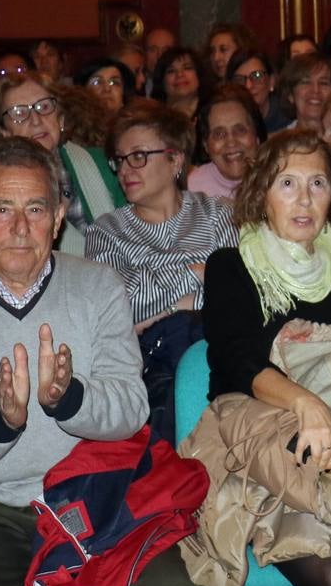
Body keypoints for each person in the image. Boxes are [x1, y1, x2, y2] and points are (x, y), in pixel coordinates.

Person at [0, 136, 202, 586]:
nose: (20, 228)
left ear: (58, 219)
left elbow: (131, 411)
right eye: (2, 210)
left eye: (36, 209)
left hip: (96, 496)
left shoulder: (98, 288)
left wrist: (70, 399)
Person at [202, 129, 331, 586]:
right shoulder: (232, 266)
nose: (304, 199)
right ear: (261, 194)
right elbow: (234, 357)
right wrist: (307, 404)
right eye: (287, 183)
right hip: (280, 447)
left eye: (318, 183)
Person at [85, 100, 239, 437]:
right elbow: (120, 306)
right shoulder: (106, 231)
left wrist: (162, 304)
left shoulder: (219, 214)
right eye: (119, 160)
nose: (125, 170)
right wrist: (197, 275)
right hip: (151, 368)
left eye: (138, 156)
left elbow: (237, 291)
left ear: (175, 160)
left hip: (224, 350)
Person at [0, 71, 126, 255]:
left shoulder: (102, 162)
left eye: (44, 107)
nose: (36, 120)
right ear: (5, 132)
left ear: (60, 119)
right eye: (20, 113)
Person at [188, 85, 265, 199]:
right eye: (219, 134)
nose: (231, 142)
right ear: (206, 145)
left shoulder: (277, 177)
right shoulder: (192, 191)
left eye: (240, 130)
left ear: (256, 136)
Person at [227, 50, 289, 132]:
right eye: (239, 79)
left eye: (257, 76)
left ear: (271, 81)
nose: (248, 86)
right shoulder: (225, 120)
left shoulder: (288, 121)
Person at [276, 52, 331, 135]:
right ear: (290, 94)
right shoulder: (277, 142)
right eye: (306, 82)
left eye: (323, 83)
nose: (316, 90)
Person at [151, 46, 211, 120]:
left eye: (187, 68)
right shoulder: (152, 117)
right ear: (162, 80)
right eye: (171, 71)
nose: (179, 75)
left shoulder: (213, 111)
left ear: (199, 74)